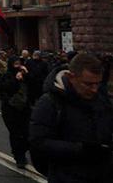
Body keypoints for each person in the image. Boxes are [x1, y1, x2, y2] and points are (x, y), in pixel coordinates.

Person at [29, 53, 113, 181]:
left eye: (98, 84)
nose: (94, 89)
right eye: (88, 84)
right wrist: (81, 149)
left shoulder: (100, 99)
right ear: (71, 77)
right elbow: (38, 142)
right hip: (68, 176)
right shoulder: (50, 102)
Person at [0, 57, 31, 168]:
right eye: (15, 64)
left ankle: (21, 151)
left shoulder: (25, 75)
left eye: (19, 64)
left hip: (24, 108)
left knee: (27, 132)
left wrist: (26, 74)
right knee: (15, 133)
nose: (17, 66)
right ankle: (19, 156)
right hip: (10, 109)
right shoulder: (6, 75)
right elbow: (4, 89)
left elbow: (35, 85)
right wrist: (16, 79)